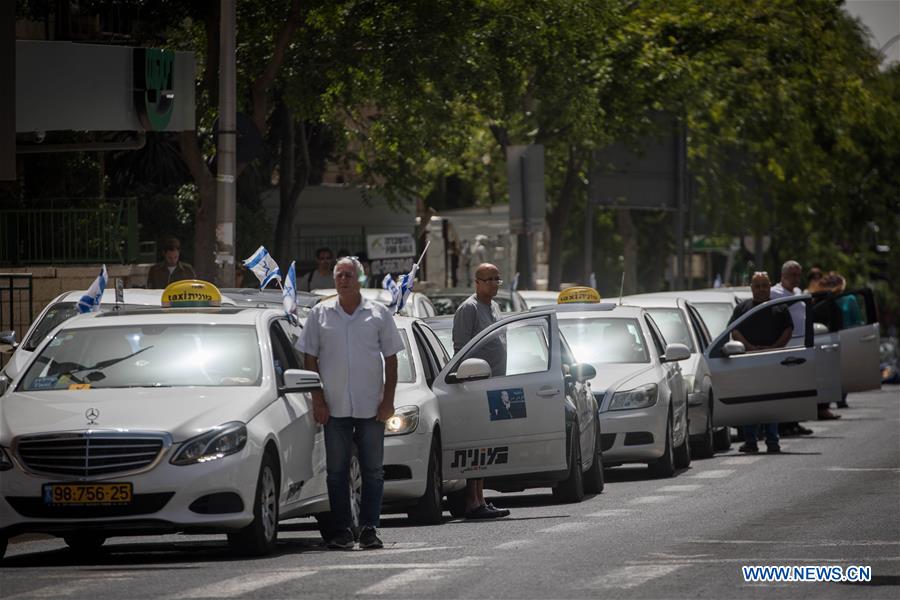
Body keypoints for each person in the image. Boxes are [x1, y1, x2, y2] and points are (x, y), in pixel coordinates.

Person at [299, 256, 404, 550]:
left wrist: (389, 401)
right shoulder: (319, 314)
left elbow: (392, 358)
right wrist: (317, 399)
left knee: (373, 470)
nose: (343, 279)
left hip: (371, 406)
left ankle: (370, 527)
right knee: (336, 471)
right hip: (333, 408)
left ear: (359, 279)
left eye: (348, 275)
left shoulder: (378, 314)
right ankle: (343, 530)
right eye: (339, 275)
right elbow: (309, 359)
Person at [452, 262, 511, 519]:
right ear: (477, 282)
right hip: (476, 387)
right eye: (489, 279)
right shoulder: (469, 308)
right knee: (477, 446)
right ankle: (472, 502)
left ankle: (481, 499)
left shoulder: (494, 307)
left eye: (497, 278)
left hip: (495, 386)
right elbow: (461, 349)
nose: (495, 283)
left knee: (487, 446)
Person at [728, 271, 793, 453]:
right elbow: (734, 331)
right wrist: (750, 348)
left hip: (773, 363)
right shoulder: (742, 308)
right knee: (751, 403)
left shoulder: (780, 308)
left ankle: (773, 441)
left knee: (771, 403)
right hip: (749, 363)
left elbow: (788, 330)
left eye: (765, 285)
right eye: (757, 285)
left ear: (770, 286)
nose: (761, 289)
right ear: (751, 287)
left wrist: (773, 349)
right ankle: (751, 441)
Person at [770, 261, 814, 437]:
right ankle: (783, 425)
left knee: (798, 386)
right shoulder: (775, 293)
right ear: (784, 275)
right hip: (785, 345)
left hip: (801, 344)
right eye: (793, 274)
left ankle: (794, 422)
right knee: (785, 386)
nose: (797, 278)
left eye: (798, 274)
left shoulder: (797, 293)